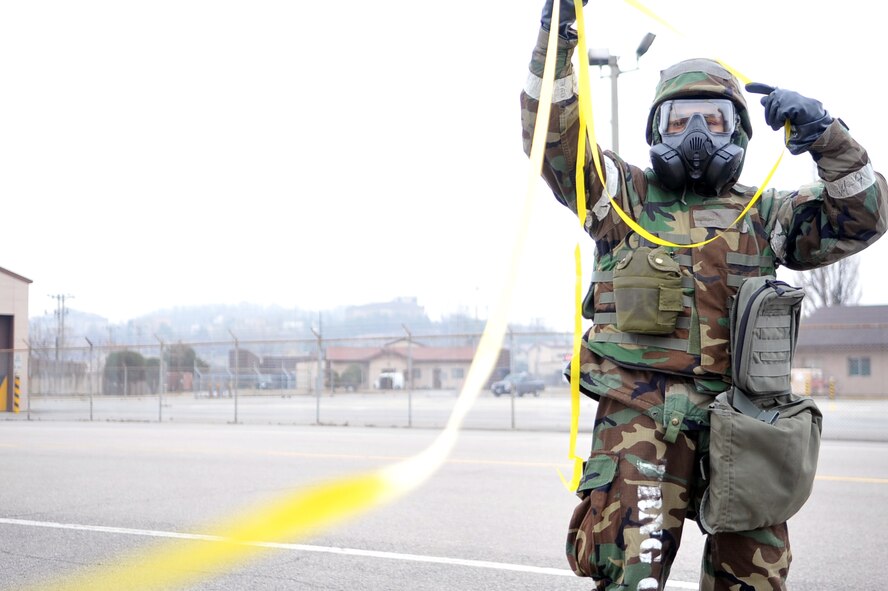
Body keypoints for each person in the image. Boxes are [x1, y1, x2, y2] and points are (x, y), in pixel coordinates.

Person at [520, 2, 888, 590]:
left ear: (740, 132)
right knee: (630, 579)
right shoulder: (624, 201)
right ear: (654, 131)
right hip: (643, 425)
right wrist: (558, 31)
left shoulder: (765, 212)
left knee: (754, 583)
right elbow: (553, 138)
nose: (695, 136)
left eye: (714, 122)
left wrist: (827, 135)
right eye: (678, 122)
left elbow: (863, 216)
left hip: (744, 424)